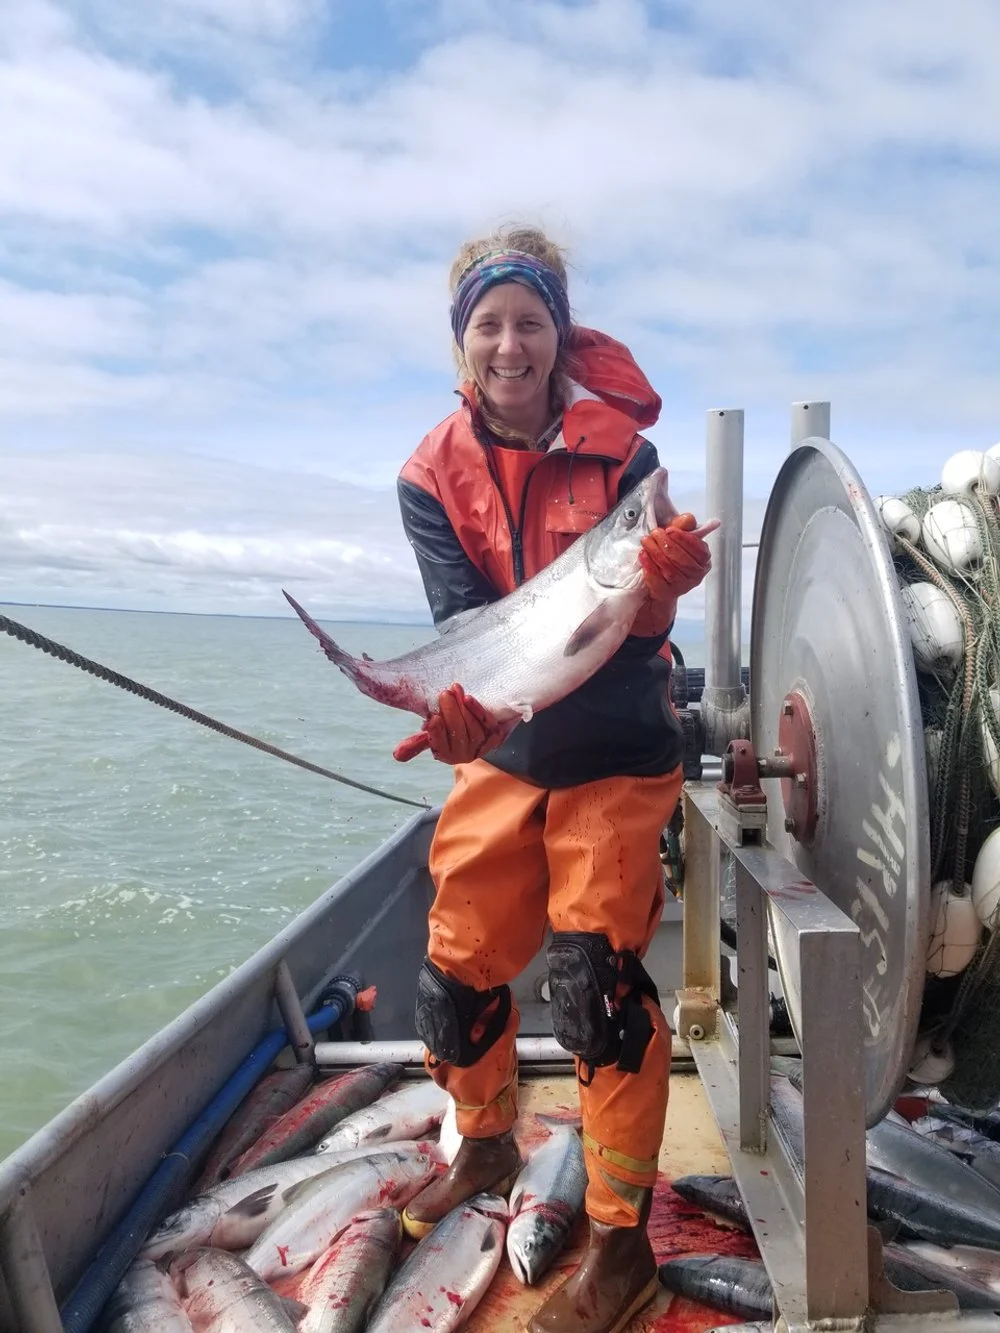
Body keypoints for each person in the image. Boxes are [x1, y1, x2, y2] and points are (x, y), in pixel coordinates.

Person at [393, 224, 712, 1333]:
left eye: (530, 322)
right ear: (462, 343)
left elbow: (636, 621)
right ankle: (483, 1145)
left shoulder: (622, 452)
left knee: (599, 989)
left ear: (560, 336)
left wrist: (663, 587)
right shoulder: (428, 473)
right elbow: (463, 632)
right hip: (508, 744)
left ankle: (619, 1247)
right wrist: (457, 713)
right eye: (488, 324)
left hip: (618, 748)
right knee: (454, 967)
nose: (510, 344)